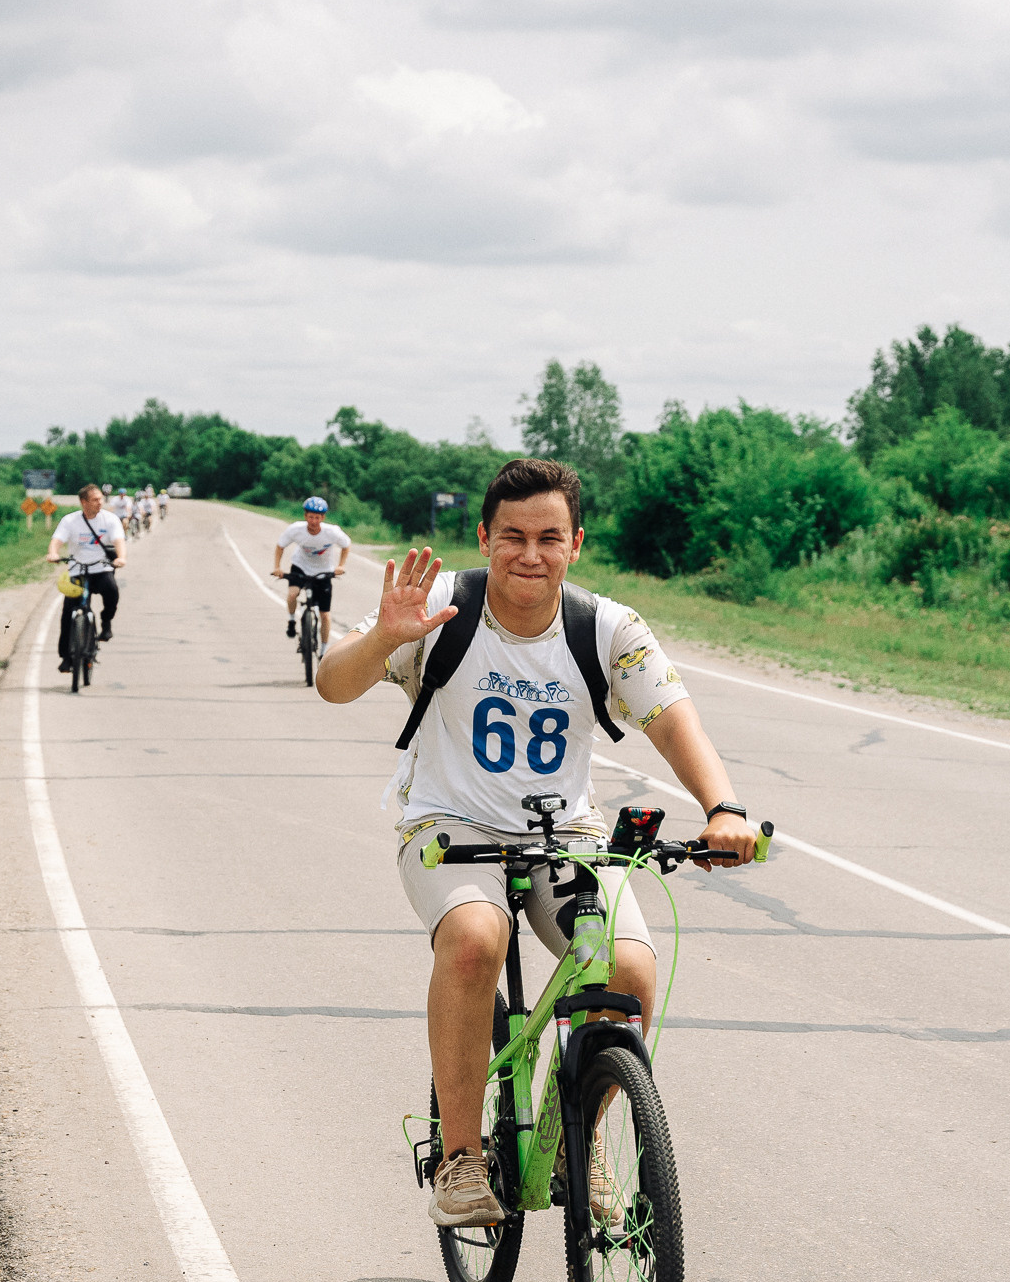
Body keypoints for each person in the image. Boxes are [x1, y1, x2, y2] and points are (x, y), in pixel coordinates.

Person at [317, 457, 761, 1229]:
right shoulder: (441, 606)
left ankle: (575, 1139)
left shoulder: (607, 628)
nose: (531, 553)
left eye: (549, 537)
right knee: (473, 940)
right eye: (513, 535)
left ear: (576, 543)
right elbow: (332, 683)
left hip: (567, 832)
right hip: (449, 824)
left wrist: (723, 806)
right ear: (483, 536)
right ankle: (459, 1159)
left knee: (628, 970)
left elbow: (670, 717)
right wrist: (386, 635)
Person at [46, 483, 128, 658]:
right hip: (78, 571)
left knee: (112, 591)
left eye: (101, 499)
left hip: (102, 568)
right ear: (84, 502)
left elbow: (118, 540)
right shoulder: (70, 520)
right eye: (95, 500)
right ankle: (67, 658)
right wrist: (53, 553)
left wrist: (120, 557)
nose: (100, 502)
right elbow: (57, 540)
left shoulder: (110, 519)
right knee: (68, 612)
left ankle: (106, 622)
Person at [273, 497, 354, 647]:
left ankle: (323, 650)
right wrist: (277, 567)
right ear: (305, 516)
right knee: (292, 595)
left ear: (323, 517)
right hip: (300, 567)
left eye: (317, 517)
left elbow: (346, 545)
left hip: (324, 572)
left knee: (325, 615)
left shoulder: (332, 532)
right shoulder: (296, 529)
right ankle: (291, 620)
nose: (313, 521)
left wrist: (341, 565)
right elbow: (280, 546)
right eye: (310, 517)